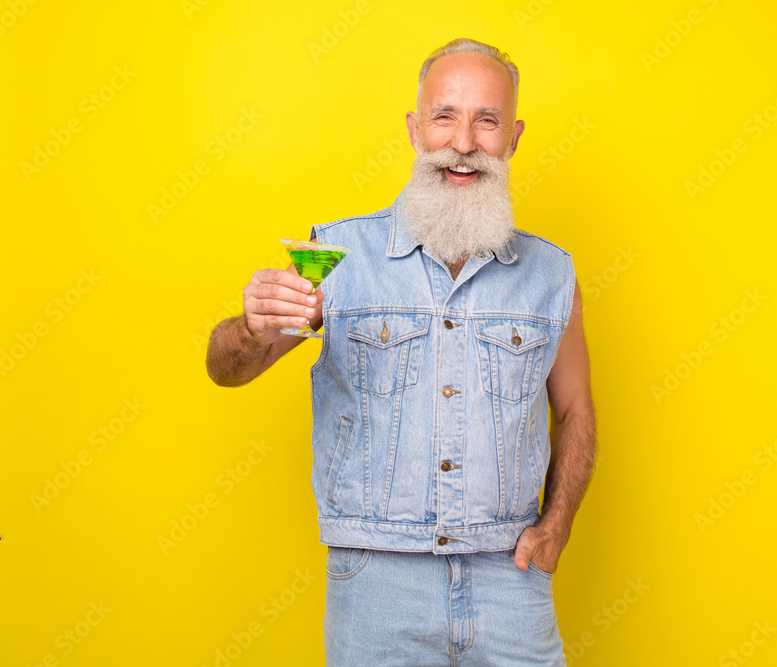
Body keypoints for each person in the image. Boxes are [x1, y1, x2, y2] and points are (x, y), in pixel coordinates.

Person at [206, 37, 597, 666]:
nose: (463, 142)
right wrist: (250, 330)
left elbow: (577, 409)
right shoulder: (333, 255)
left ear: (514, 136)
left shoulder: (552, 274)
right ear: (415, 129)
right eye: (445, 116)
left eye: (487, 120)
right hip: (376, 585)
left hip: (512, 580)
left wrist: (558, 526)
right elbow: (227, 371)